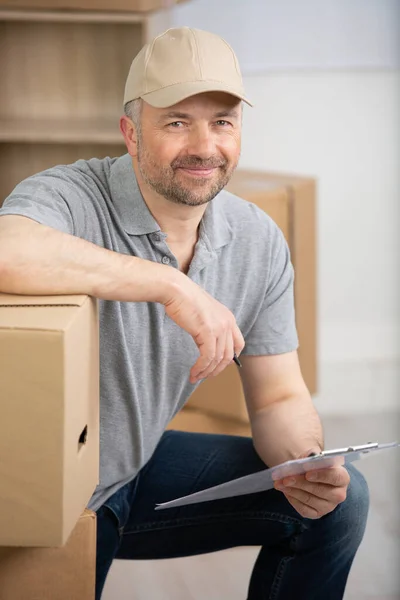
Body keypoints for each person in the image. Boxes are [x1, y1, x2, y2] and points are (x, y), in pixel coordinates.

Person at [0, 26, 369, 600]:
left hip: (138, 463)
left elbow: (278, 398)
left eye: (222, 121)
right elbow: (7, 250)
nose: (204, 145)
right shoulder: (71, 196)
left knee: (341, 505)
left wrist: (304, 462)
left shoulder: (257, 239)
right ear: (131, 133)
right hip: (58, 488)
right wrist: (170, 285)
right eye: (176, 122)